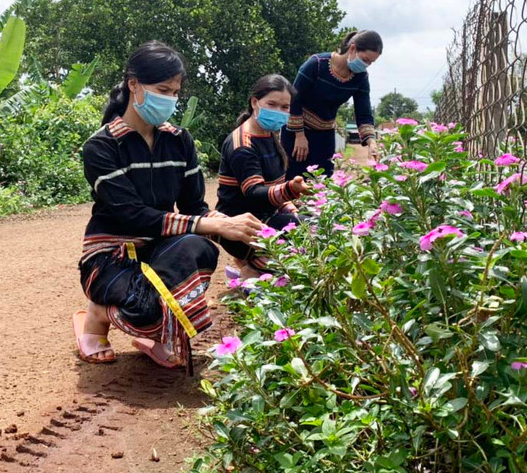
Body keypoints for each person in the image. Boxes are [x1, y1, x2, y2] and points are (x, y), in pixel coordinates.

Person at [74, 41, 264, 372]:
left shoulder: (179, 141)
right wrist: (209, 224)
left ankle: (160, 334)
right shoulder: (102, 147)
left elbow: (195, 208)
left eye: (175, 92)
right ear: (133, 84)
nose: (171, 99)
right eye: (163, 90)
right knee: (146, 311)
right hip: (111, 256)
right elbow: (130, 215)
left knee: (200, 248)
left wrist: (249, 239)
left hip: (158, 250)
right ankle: (99, 313)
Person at [216, 75, 312, 276]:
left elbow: (273, 185)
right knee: (307, 231)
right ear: (254, 102)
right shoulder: (243, 145)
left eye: (285, 107)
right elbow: (254, 193)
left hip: (265, 217)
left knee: (305, 221)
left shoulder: (269, 135)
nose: (279, 111)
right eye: (272, 104)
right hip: (241, 224)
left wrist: (290, 207)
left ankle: (254, 262)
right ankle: (251, 268)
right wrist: (289, 191)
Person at [282, 30, 383, 178]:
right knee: (293, 177)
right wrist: (299, 135)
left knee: (322, 181)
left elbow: (364, 113)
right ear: (353, 48)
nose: (366, 65)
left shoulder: (361, 78)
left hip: (325, 135)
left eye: (371, 63)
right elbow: (294, 98)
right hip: (296, 132)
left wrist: (372, 143)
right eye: (365, 59)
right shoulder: (316, 64)